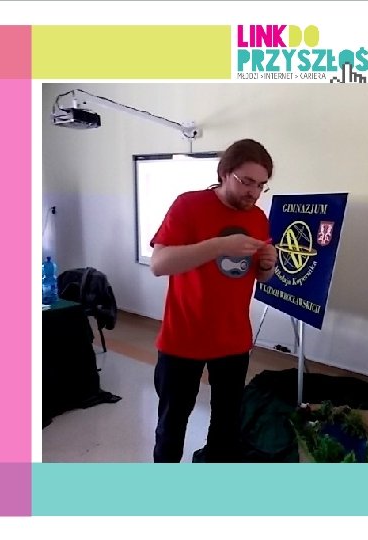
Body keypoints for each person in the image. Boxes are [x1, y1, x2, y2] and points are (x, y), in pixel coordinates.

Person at [149, 139, 277, 463]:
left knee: (225, 428)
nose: (253, 192)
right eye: (246, 181)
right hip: (183, 338)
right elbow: (159, 264)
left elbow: (261, 278)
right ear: (224, 173)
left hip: (233, 341)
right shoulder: (188, 205)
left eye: (261, 185)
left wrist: (267, 265)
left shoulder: (258, 218)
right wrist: (219, 246)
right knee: (172, 425)